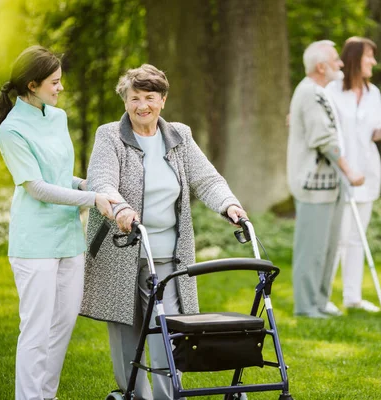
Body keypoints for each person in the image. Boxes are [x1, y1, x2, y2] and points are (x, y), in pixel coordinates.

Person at [80, 64, 247, 400]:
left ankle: (168, 397)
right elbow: (102, 180)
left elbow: (207, 179)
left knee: (168, 331)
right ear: (125, 101)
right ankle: (135, 396)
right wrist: (119, 207)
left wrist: (229, 204)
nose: (143, 105)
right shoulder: (109, 135)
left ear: (163, 100)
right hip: (121, 249)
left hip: (169, 255)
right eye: (135, 98)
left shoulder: (179, 136)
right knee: (127, 337)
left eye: (150, 97)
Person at [0, 45, 115, 400]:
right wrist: (93, 199)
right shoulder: (11, 131)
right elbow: (38, 188)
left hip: (68, 238)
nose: (60, 88)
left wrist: (83, 184)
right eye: (54, 82)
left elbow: (58, 177)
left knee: (61, 328)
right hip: (35, 244)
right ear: (32, 85)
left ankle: (47, 395)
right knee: (36, 330)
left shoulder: (57, 117)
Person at [287, 40, 364, 319]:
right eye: (335, 60)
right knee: (312, 250)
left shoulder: (319, 92)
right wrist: (349, 170)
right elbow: (324, 139)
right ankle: (306, 307)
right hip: (313, 184)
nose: (341, 64)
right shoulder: (310, 93)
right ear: (321, 66)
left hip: (329, 185)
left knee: (328, 248)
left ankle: (320, 302)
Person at [326, 37, 381, 313]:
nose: (374, 63)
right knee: (338, 237)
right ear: (355, 58)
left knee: (357, 237)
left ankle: (352, 297)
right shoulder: (332, 90)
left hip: (366, 172)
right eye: (370, 57)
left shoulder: (373, 92)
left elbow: (373, 133)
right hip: (340, 171)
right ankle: (324, 297)